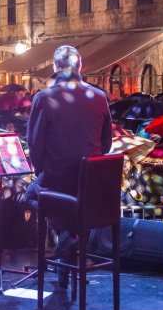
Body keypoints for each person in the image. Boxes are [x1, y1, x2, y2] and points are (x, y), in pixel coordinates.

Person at [27, 45, 113, 197]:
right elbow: (106, 143)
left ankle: (47, 220)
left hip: (57, 182)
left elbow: (35, 144)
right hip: (90, 179)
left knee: (25, 196)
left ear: (54, 67)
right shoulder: (100, 97)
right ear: (80, 66)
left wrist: (42, 171)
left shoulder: (44, 98)